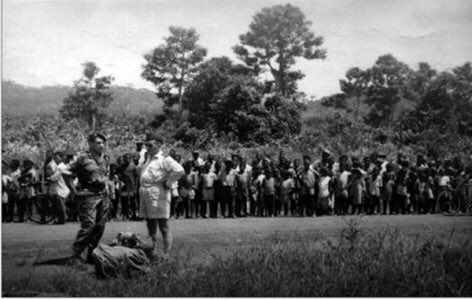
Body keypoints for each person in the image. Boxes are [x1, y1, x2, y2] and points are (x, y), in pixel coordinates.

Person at [139, 133, 184, 257]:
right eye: (146, 145)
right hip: (146, 193)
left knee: (163, 225)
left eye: (150, 145)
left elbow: (179, 170)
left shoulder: (164, 158)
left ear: (158, 145)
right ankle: (152, 252)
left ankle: (166, 254)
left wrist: (168, 183)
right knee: (150, 224)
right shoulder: (147, 158)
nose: (147, 147)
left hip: (158, 193)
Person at [69, 132, 110, 264]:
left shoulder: (105, 158)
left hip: (103, 195)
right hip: (89, 196)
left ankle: (91, 253)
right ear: (90, 143)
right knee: (89, 225)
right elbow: (66, 173)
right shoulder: (83, 158)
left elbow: (106, 175)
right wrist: (75, 191)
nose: (101, 145)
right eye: (98, 143)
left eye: (103, 143)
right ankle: (76, 254)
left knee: (100, 226)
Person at [45, 151, 70, 224]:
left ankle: (62, 218)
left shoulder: (61, 166)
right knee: (59, 203)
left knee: (60, 203)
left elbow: (56, 176)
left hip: (61, 186)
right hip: (57, 187)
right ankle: (61, 218)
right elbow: (51, 176)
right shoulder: (51, 165)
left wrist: (52, 178)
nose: (60, 158)